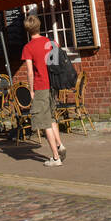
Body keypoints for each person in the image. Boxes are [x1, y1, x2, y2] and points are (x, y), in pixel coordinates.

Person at [20, 15, 66, 168]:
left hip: (41, 86)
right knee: (52, 117)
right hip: (53, 85)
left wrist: (31, 89)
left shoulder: (28, 47)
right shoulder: (49, 42)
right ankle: (60, 145)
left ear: (27, 30)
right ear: (39, 26)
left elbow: (30, 72)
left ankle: (55, 157)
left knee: (45, 122)